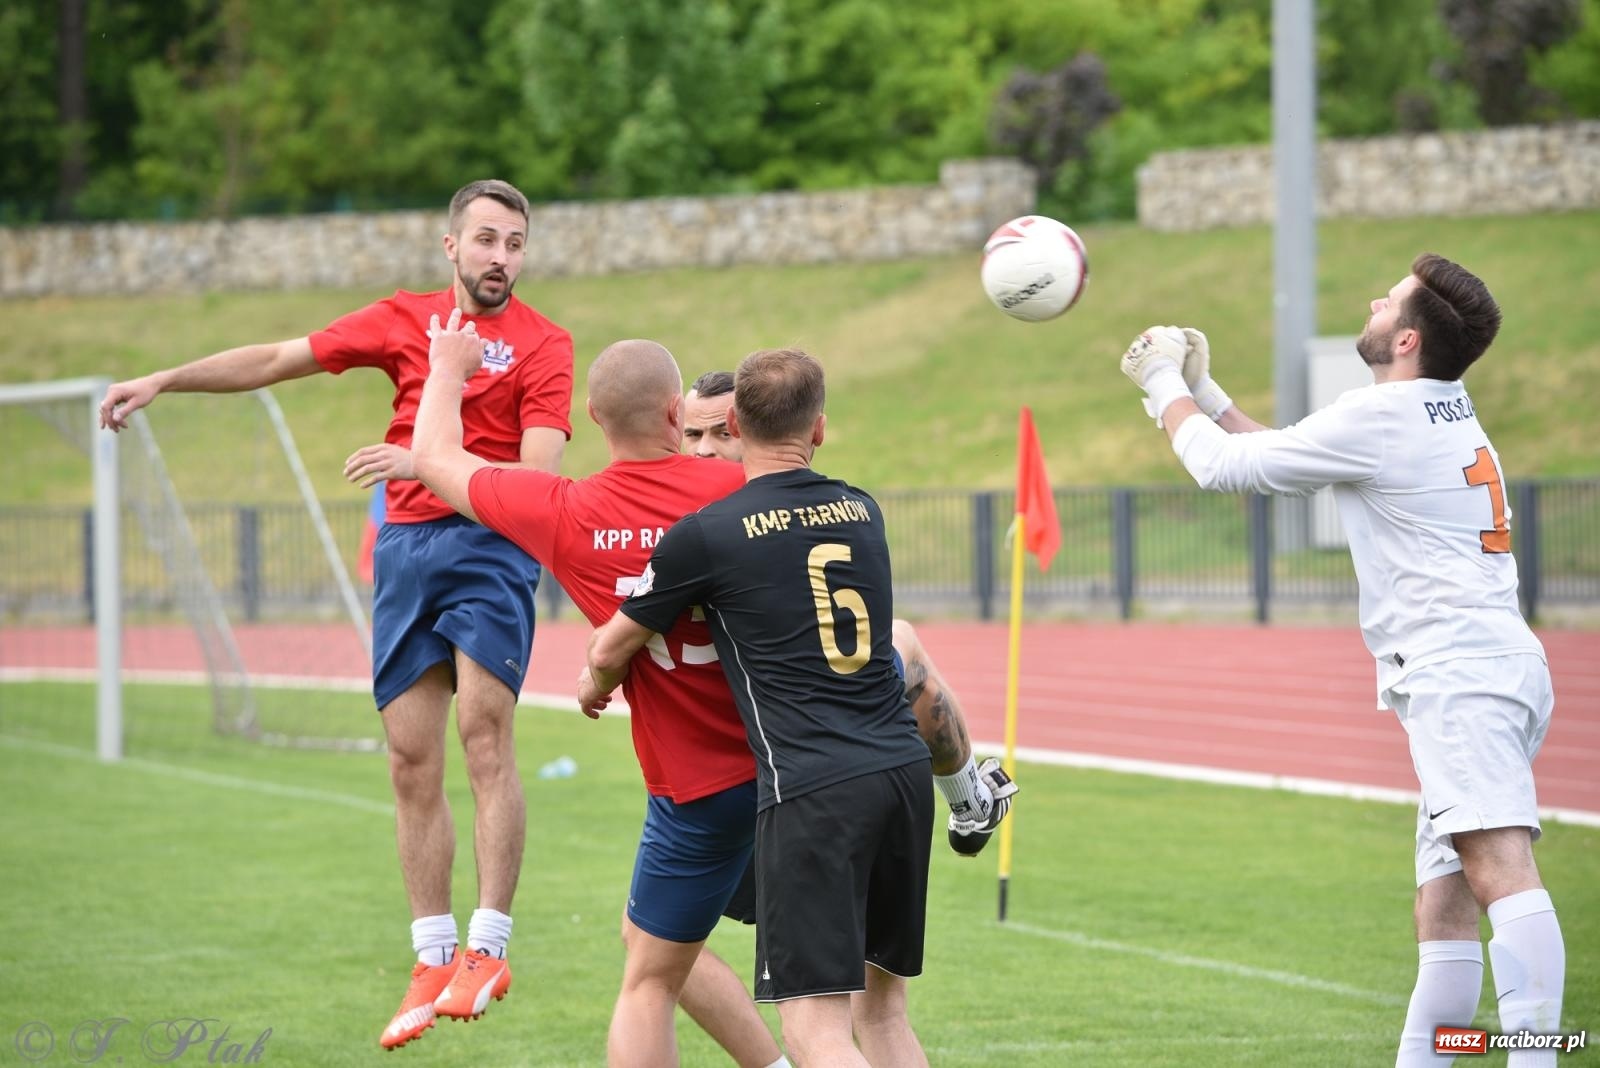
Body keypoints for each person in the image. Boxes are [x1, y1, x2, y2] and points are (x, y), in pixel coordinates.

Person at [97, 180, 576, 1050]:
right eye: (486, 240)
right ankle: (432, 954)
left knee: (484, 733)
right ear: (451, 247)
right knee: (407, 758)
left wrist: (424, 458)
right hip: (405, 557)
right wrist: (165, 377)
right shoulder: (402, 319)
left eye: (514, 242)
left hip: (490, 547)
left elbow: (537, 480)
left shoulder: (545, 343)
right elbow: (276, 358)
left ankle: (489, 944)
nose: (500, 257)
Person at [1118, 253, 1564, 1068]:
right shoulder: (1427, 407)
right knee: (1444, 907)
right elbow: (1288, 456)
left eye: (1387, 300)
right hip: (1482, 665)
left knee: (1502, 871)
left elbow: (1225, 469)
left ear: (1405, 341)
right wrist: (1208, 396)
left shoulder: (1385, 419)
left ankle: (1537, 1055)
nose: (1372, 301)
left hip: (1460, 673)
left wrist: (1161, 385)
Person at [411, 318, 785, 1068]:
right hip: (793, 762)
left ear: (590, 421)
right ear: (680, 412)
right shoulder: (738, 486)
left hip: (694, 785)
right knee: (845, 986)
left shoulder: (564, 510)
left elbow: (432, 459)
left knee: (648, 979)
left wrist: (449, 367)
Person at [584, 349, 936, 1067]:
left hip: (811, 789)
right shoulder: (862, 510)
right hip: (901, 769)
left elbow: (609, 647)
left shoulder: (709, 533)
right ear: (821, 429)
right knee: (885, 1014)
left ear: (735, 425)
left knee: (814, 1031)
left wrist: (596, 684)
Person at [683, 368, 1016, 851]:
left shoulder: (762, 511)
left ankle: (970, 806)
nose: (705, 449)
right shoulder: (767, 513)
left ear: (744, 428)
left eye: (720, 432)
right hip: (755, 757)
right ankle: (971, 803)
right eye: (693, 434)